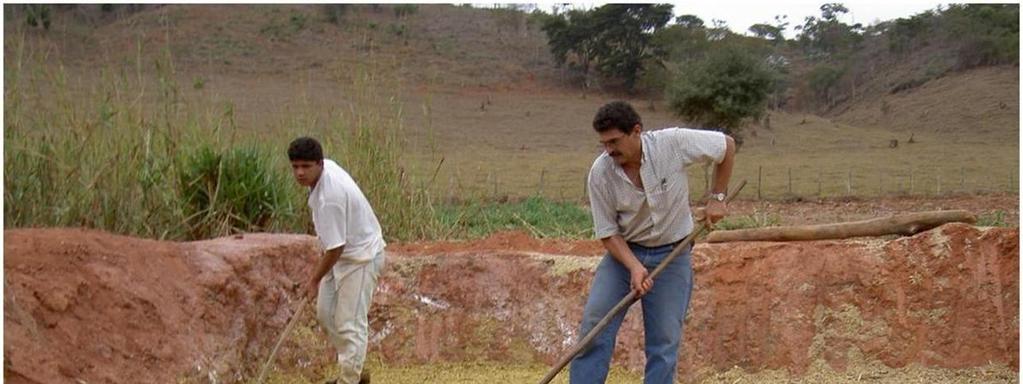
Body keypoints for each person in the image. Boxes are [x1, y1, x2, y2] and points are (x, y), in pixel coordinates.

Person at [570, 101, 736, 384]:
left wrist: (717, 198)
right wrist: (634, 267)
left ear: (636, 131)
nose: (609, 150)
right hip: (624, 256)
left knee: (665, 343)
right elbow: (608, 232)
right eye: (604, 143)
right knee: (594, 330)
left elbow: (727, 146)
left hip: (674, 253)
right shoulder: (600, 174)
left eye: (614, 141)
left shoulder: (672, 143)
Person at [288, 137, 385, 384]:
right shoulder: (324, 172)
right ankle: (354, 369)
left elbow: (335, 248)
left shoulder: (329, 197)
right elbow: (334, 247)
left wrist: (313, 280)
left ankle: (349, 379)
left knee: (349, 323)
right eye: (295, 166)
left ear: (319, 163)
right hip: (342, 254)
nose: (300, 173)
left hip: (361, 257)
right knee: (326, 314)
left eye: (305, 166)